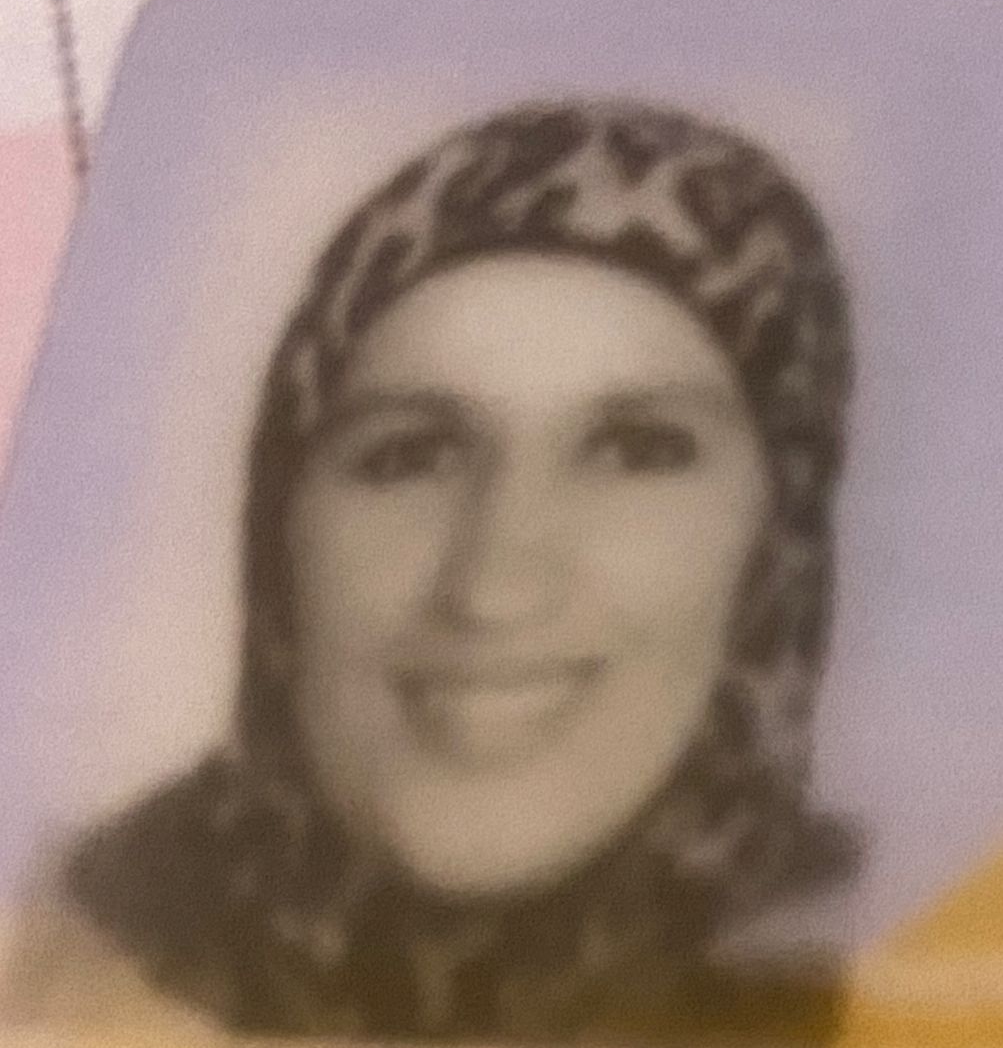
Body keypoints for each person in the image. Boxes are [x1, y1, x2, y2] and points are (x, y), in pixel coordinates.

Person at [3, 98, 860, 1045]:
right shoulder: (63, 970)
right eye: (409, 456)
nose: (492, 587)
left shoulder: (908, 970)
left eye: (635, 451)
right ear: (281, 534)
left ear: (777, 547)